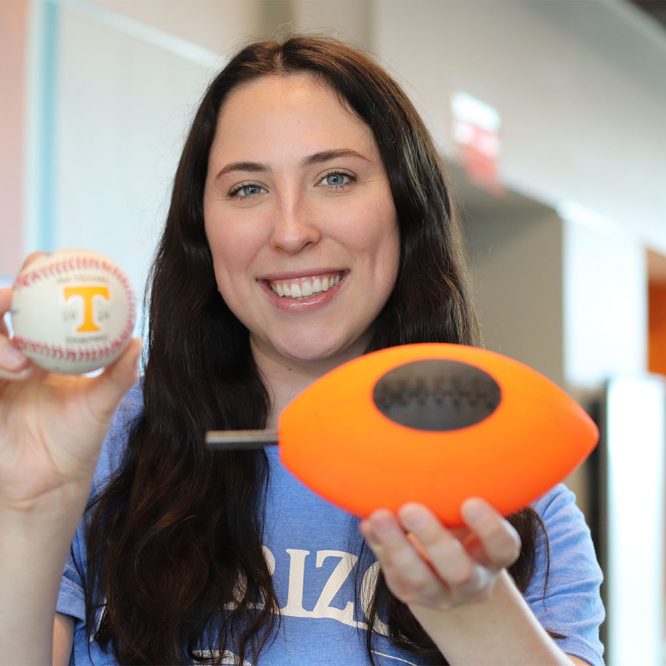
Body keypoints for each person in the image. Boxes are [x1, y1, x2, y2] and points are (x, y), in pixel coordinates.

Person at [0, 36, 604, 666]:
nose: (291, 231)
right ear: (200, 229)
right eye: (246, 189)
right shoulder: (98, 454)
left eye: (335, 177)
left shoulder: (521, 518)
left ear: (405, 205)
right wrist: (26, 508)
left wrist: (475, 615)